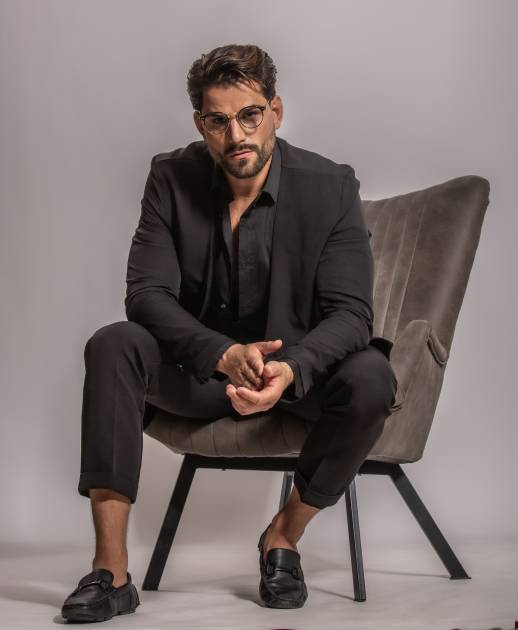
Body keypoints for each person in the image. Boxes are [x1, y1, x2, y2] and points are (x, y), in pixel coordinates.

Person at [61, 43, 398, 622]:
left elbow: (351, 315)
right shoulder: (170, 176)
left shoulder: (332, 185)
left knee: (372, 375)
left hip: (294, 381)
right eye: (218, 121)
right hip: (199, 376)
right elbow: (146, 296)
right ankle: (111, 573)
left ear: (276, 112)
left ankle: (283, 537)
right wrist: (222, 353)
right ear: (200, 124)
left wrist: (290, 368)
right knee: (113, 342)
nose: (236, 135)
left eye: (250, 115)